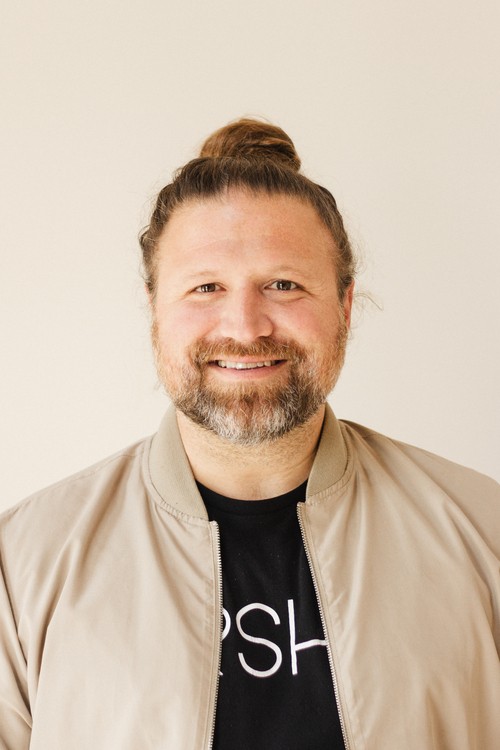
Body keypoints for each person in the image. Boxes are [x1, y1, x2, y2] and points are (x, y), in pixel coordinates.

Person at [1, 118, 499, 750]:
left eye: (284, 285)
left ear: (345, 307)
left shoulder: (483, 530)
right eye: (205, 287)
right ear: (154, 309)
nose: (245, 326)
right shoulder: (22, 565)